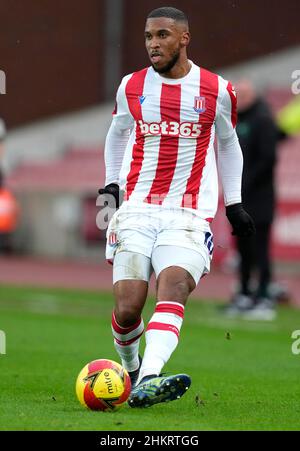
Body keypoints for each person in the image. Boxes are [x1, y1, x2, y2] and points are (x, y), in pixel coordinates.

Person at [99, 6, 255, 408]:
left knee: (174, 285)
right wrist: (111, 182)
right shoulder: (131, 86)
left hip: (188, 213)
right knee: (129, 306)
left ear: (184, 38)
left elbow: (228, 143)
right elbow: (116, 133)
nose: (153, 44)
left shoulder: (216, 89)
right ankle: (132, 370)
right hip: (136, 209)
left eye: (163, 35)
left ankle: (149, 378)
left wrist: (234, 203)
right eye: (149, 36)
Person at [225, 79, 278, 320]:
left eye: (243, 94)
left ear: (253, 95)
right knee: (243, 248)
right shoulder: (236, 121)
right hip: (240, 199)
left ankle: (264, 296)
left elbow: (268, 159)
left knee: (260, 248)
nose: (240, 99)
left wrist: (244, 184)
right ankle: (245, 293)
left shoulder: (264, 119)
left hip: (260, 198)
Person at [0, 168, 19, 254]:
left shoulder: (7, 194)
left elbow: (14, 210)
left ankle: (6, 248)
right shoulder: (8, 194)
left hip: (6, 225)